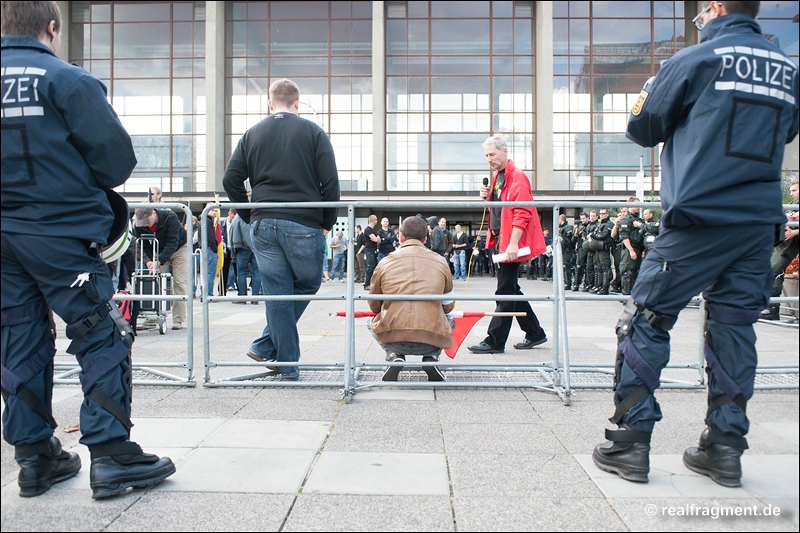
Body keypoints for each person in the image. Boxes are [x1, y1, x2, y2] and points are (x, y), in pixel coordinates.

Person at [592, 0, 799, 488]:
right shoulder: (786, 71)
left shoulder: (693, 60)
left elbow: (642, 128)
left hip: (698, 217)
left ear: (717, 7)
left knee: (645, 320)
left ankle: (630, 442)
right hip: (756, 224)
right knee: (733, 328)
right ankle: (724, 449)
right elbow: (786, 132)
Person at [0, 1, 175, 500]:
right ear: (51, 27)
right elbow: (116, 162)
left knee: (18, 336)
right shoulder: (67, 81)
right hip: (60, 232)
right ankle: (110, 453)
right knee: (102, 333)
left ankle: (34, 457)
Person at [222, 78, 340, 381]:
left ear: (270, 104)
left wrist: (248, 214)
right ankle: (273, 351)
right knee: (309, 283)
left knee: (277, 294)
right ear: (297, 104)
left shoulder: (252, 133)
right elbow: (330, 182)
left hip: (261, 222)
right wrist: (327, 222)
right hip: (303, 221)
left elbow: (230, 180)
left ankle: (275, 353)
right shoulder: (313, 131)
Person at [468, 135, 548, 354]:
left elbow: (522, 213)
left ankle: (495, 340)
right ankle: (535, 332)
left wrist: (513, 244)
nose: (489, 159)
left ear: (505, 151)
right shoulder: (499, 177)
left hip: (510, 244)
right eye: (486, 155)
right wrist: (486, 198)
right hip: (502, 241)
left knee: (504, 290)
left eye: (492, 154)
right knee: (512, 290)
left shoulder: (518, 177)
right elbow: (499, 210)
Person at [368, 216, 453, 382]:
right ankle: (431, 358)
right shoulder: (441, 262)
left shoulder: (385, 262)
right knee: (450, 318)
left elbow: (374, 305)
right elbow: (448, 305)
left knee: (371, 321)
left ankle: (393, 355)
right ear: (426, 239)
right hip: (432, 337)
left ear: (400, 237)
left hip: (392, 337)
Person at [132, 207, 189, 329]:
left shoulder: (170, 217)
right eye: (143, 223)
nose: (146, 225)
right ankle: (152, 317)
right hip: (159, 249)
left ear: (153, 213)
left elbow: (173, 241)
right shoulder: (139, 224)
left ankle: (178, 319)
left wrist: (159, 261)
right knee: (153, 281)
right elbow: (142, 245)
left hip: (180, 247)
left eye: (147, 221)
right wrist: (148, 261)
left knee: (179, 282)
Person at [761, 177, 799, 320]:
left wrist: (794, 228)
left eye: (794, 190)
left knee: (773, 271)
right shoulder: (793, 203)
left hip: (790, 244)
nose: (792, 193)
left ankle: (771, 310)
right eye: (790, 190)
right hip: (781, 243)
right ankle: (768, 307)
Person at [230, 212, 261, 304]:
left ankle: (242, 297)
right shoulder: (257, 213)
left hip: (242, 247)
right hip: (256, 247)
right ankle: (255, 298)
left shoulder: (239, 216)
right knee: (257, 272)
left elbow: (233, 229)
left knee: (241, 273)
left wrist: (235, 245)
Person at [617, 199, 644, 296]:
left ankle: (633, 297)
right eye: (636, 204)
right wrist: (631, 250)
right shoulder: (626, 219)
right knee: (628, 273)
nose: (638, 206)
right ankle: (626, 296)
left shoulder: (638, 219)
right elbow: (625, 236)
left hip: (638, 248)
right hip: (630, 248)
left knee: (636, 273)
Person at [200, 203, 220, 301]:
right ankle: (208, 294)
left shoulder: (204, 220)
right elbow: (210, 237)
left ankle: (204, 294)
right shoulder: (207, 221)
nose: (215, 212)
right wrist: (214, 248)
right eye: (213, 210)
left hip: (205, 248)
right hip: (209, 249)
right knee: (210, 273)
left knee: (205, 273)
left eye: (216, 211)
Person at [362, 214, 380, 289]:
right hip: (369, 250)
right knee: (370, 267)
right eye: (376, 219)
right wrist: (376, 238)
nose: (377, 221)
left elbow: (378, 240)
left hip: (374, 250)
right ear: (373, 220)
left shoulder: (373, 230)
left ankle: (372, 283)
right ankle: (367, 284)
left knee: (374, 267)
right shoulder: (368, 229)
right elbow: (376, 239)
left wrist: (376, 238)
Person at [558, 214, 575, 290]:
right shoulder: (561, 228)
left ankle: (568, 283)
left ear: (561, 219)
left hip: (568, 250)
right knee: (564, 266)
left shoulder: (568, 227)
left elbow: (570, 240)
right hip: (563, 249)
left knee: (566, 266)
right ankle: (565, 282)